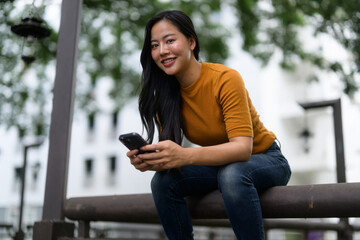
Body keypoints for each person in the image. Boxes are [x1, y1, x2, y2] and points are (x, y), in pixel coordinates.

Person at [126, 9, 291, 240]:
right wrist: (152, 161)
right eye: (154, 45)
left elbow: (243, 149)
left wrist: (183, 155)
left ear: (191, 42)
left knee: (232, 174)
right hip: (222, 168)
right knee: (163, 182)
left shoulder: (225, 79)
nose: (162, 51)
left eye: (170, 41)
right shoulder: (165, 97)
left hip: (266, 159)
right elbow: (176, 157)